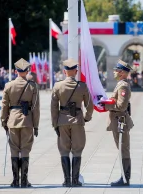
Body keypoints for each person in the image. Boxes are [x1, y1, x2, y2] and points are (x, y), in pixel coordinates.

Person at [51, 58, 93, 187]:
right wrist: (87, 117)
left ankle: (67, 180)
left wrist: (55, 124)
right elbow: (89, 105)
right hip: (78, 120)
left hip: (62, 121)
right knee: (77, 150)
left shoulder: (58, 86)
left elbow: (53, 107)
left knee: (64, 150)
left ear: (64, 72)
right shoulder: (82, 86)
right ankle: (75, 180)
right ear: (75, 71)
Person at [0, 58, 40, 188]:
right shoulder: (32, 86)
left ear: (16, 71)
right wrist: (36, 125)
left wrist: (3, 121)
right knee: (25, 149)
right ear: (27, 70)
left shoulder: (8, 85)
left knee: (14, 150)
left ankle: (15, 180)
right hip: (27, 121)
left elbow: (4, 106)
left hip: (12, 121)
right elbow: (35, 108)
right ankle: (24, 180)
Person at [100, 59, 134, 186]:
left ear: (122, 72)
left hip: (121, 121)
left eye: (117, 70)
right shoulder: (120, 84)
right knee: (121, 149)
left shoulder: (123, 85)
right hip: (118, 120)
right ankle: (124, 177)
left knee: (123, 149)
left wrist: (106, 105)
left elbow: (121, 106)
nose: (114, 72)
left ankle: (125, 178)